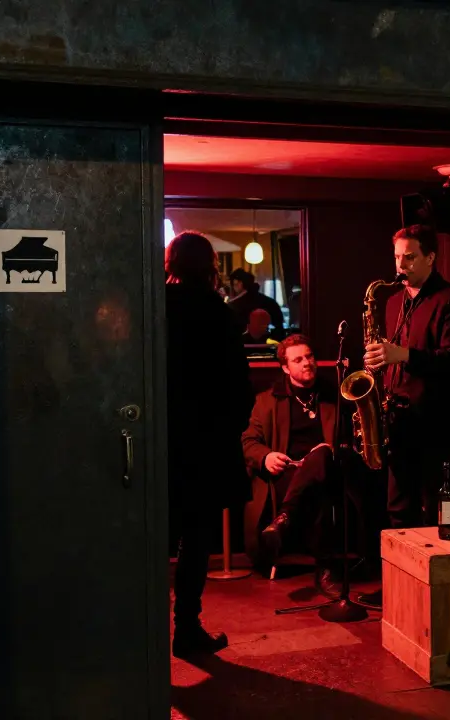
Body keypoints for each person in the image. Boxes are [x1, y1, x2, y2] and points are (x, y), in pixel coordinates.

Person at [357, 224, 450, 608]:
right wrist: (380, 363)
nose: (401, 265)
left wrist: (402, 355)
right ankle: (398, 587)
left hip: (436, 421)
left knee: (429, 509)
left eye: (409, 257)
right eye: (397, 257)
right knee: (397, 509)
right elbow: (393, 357)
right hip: (400, 419)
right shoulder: (393, 302)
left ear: (430, 258)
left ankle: (429, 594)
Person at [166, 232, 254, 658]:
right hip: (206, 445)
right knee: (195, 542)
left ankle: (139, 630)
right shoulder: (217, 315)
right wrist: (228, 427)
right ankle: (186, 629)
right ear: (210, 266)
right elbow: (239, 386)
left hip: (159, 443)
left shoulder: (154, 304)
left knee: (152, 540)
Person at [242, 334, 362, 568]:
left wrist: (330, 449)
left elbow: (355, 443)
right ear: (286, 368)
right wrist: (266, 456)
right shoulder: (265, 402)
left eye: (310, 357)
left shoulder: (335, 397)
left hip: (330, 471)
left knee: (322, 460)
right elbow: (248, 441)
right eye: (298, 360)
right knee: (318, 486)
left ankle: (284, 518)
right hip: (285, 474)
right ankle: (325, 567)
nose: (307, 362)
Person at [228, 268, 285, 332]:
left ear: (239, 283)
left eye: (233, 285)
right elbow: (279, 328)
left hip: (242, 341)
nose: (233, 288)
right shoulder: (270, 302)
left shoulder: (234, 306)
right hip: (269, 340)